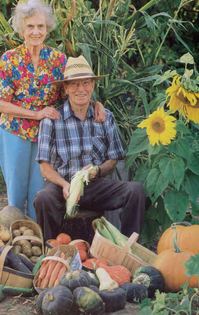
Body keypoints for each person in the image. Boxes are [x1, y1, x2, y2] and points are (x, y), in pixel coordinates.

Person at [0, 0, 106, 221]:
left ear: (47, 28)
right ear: (21, 30)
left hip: (46, 134)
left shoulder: (58, 60)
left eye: (40, 26)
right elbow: (2, 105)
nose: (35, 31)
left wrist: (95, 104)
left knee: (39, 190)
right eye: (30, 26)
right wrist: (36, 114)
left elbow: (71, 94)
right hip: (14, 131)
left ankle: (39, 239)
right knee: (16, 190)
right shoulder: (10, 59)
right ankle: (16, 240)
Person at [34, 55, 146, 242]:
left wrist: (97, 170)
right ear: (66, 88)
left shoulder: (105, 117)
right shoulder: (52, 120)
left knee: (135, 191)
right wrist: (64, 184)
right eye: (75, 84)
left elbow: (112, 161)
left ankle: (129, 247)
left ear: (93, 85)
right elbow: (45, 167)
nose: (81, 89)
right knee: (42, 199)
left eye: (86, 83)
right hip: (62, 185)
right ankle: (51, 248)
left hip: (94, 185)